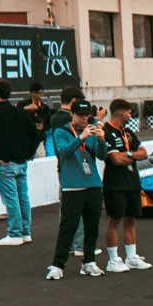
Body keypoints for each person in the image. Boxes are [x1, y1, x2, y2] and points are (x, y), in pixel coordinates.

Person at [45, 100, 107, 280]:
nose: (84, 119)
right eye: (80, 115)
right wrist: (81, 137)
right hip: (72, 185)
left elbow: (102, 154)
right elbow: (63, 152)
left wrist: (102, 139)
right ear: (72, 114)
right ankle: (58, 264)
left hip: (93, 184)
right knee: (68, 226)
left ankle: (89, 261)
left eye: (87, 115)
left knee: (92, 226)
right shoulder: (61, 132)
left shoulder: (92, 130)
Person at [99, 98, 151, 273]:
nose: (130, 115)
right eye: (129, 112)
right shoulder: (106, 132)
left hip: (132, 181)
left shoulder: (128, 132)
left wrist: (128, 153)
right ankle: (113, 260)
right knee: (115, 220)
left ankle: (131, 257)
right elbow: (116, 159)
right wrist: (129, 156)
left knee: (131, 219)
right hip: (115, 183)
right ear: (120, 112)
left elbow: (144, 154)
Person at [0, 79, 38, 246]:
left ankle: (14, 233)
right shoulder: (20, 112)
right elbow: (35, 135)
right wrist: (28, 153)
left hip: (6, 162)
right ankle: (25, 232)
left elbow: (3, 137)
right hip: (21, 161)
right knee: (23, 197)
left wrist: (4, 156)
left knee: (11, 199)